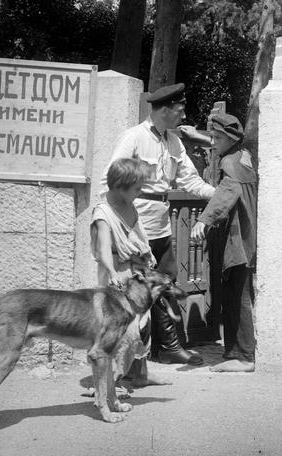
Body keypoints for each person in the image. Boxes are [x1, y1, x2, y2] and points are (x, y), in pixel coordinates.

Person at [101, 83, 215, 365]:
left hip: (161, 226)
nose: (183, 113)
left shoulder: (173, 142)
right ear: (165, 109)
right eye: (181, 108)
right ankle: (121, 363)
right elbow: (110, 179)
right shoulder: (134, 138)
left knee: (165, 284)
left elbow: (190, 179)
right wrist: (119, 223)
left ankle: (168, 347)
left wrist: (220, 196)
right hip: (134, 229)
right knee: (129, 294)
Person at [91, 157, 170, 386]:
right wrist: (113, 274)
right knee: (122, 331)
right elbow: (104, 247)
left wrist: (146, 255)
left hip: (136, 272)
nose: (140, 192)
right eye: (137, 188)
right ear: (121, 185)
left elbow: (136, 234)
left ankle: (140, 374)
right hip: (117, 276)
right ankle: (109, 382)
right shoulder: (103, 213)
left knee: (143, 325)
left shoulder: (128, 204)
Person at [191, 113, 257, 372]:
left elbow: (228, 190)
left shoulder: (231, 162)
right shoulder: (241, 156)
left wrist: (203, 220)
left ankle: (244, 357)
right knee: (233, 294)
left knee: (237, 296)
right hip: (241, 237)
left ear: (230, 139)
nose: (213, 141)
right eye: (212, 136)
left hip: (237, 239)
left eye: (218, 138)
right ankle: (234, 351)